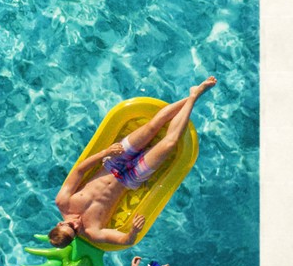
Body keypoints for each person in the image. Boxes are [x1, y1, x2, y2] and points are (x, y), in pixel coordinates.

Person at [48, 80, 216, 251]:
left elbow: (79, 170)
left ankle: (193, 95)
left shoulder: (63, 201)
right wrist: (133, 232)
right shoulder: (93, 231)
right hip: (131, 178)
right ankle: (194, 96)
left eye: (71, 225)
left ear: (60, 223)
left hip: (112, 162)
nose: (77, 225)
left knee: (152, 127)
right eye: (76, 232)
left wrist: (105, 153)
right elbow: (125, 241)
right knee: (169, 144)